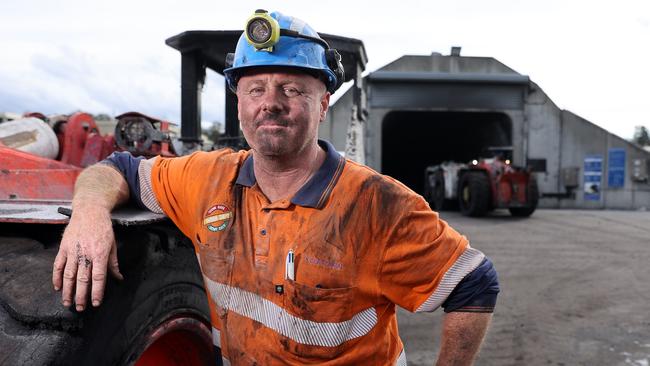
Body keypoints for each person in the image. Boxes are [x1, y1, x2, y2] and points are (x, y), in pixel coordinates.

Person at [52, 10, 499, 365]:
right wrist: (90, 215)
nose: (271, 103)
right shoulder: (205, 180)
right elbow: (117, 169)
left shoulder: (377, 205)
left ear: (323, 103)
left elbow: (474, 285)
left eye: (292, 89)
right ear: (239, 100)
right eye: (256, 88)